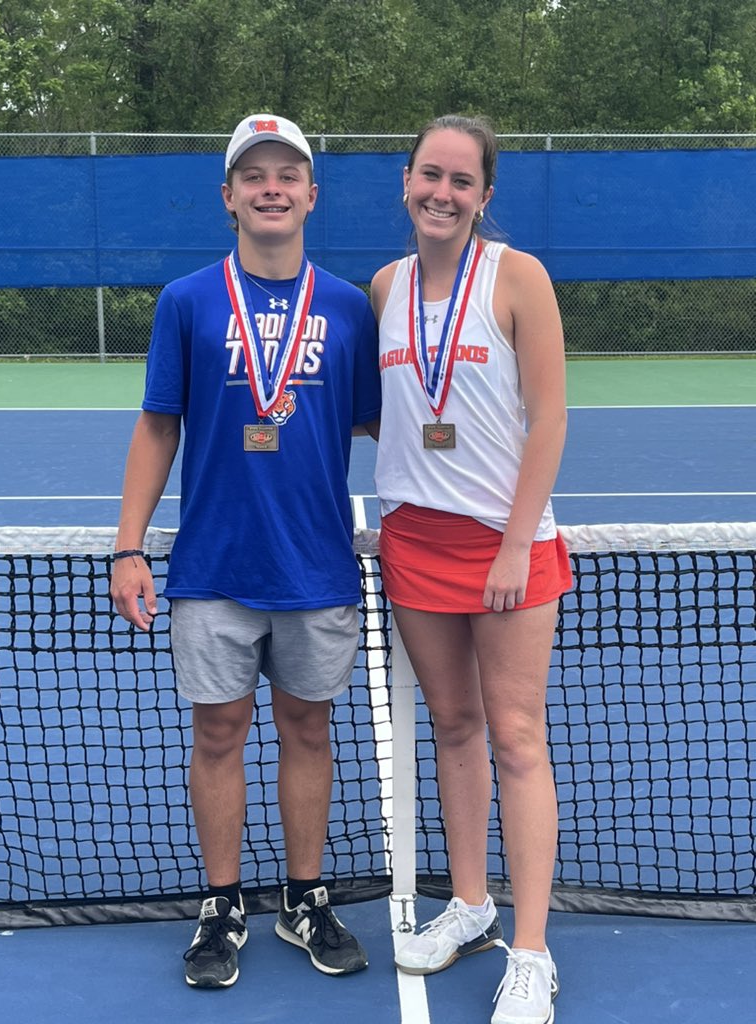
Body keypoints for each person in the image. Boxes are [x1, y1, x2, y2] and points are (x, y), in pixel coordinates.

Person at [110, 113, 380, 989]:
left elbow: (392, 422)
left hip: (315, 569)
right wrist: (127, 548)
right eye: (253, 175)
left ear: (311, 194)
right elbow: (157, 427)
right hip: (215, 570)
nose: (271, 187)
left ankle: (305, 899)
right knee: (218, 734)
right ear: (229, 197)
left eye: (286, 174)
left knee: (309, 729)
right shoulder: (188, 301)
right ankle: (222, 906)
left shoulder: (345, 307)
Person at [371, 114, 572, 1024]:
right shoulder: (384, 287)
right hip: (415, 541)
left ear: (484, 195)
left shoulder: (519, 277)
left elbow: (550, 417)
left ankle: (530, 952)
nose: (442, 193)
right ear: (406, 183)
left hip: (507, 548)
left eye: (461, 180)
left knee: (517, 735)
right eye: (429, 176)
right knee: (454, 727)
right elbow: (396, 413)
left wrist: (516, 542)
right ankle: (470, 904)